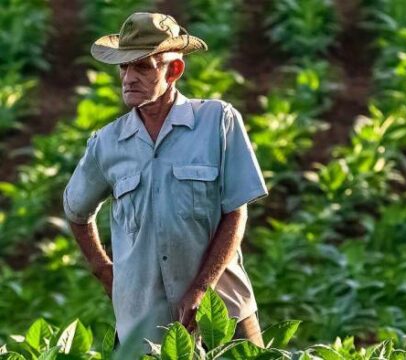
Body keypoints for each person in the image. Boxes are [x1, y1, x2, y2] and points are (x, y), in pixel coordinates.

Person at [62, 12, 269, 354]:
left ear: (173, 71)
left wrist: (201, 289)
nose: (128, 77)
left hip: (224, 314)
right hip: (143, 325)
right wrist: (103, 269)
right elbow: (75, 211)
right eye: (123, 67)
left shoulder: (218, 121)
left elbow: (236, 213)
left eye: (142, 66)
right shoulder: (107, 143)